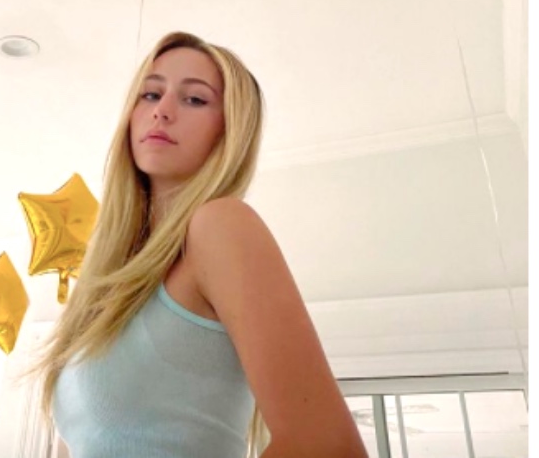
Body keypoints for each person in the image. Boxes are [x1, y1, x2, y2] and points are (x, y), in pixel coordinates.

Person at [26, 31, 367, 458]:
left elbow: (328, 447)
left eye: (194, 99)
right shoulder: (102, 281)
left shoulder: (220, 225)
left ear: (230, 130)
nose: (162, 111)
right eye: (151, 94)